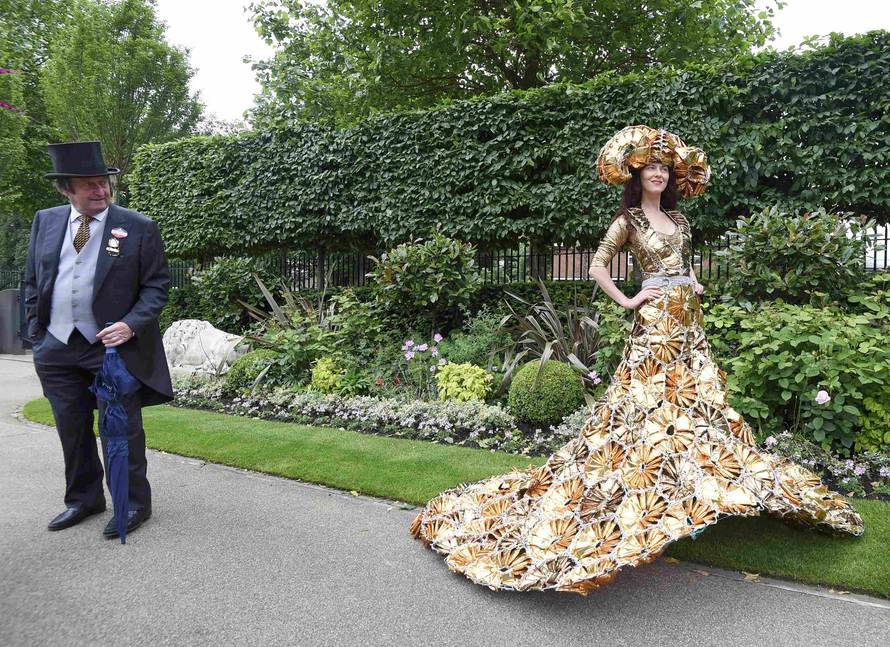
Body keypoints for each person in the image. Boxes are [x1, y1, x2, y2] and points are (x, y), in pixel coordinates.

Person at [410, 126, 863, 594]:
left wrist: (693, 283)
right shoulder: (627, 220)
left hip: (688, 326)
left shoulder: (683, 223)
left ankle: (688, 482)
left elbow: (682, 267)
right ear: (638, 174)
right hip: (653, 327)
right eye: (652, 169)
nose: (659, 175)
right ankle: (642, 487)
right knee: (644, 403)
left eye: (665, 169)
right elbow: (596, 266)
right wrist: (629, 301)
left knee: (693, 404)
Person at [24, 141, 173, 539]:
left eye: (103, 182)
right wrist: (37, 335)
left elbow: (157, 288)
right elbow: (33, 282)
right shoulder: (46, 221)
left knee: (119, 431)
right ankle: (83, 499)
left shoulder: (139, 226)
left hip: (110, 349)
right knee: (70, 429)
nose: (101, 191)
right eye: (89, 185)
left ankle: (133, 504)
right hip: (56, 348)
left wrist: (130, 324)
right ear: (65, 189)